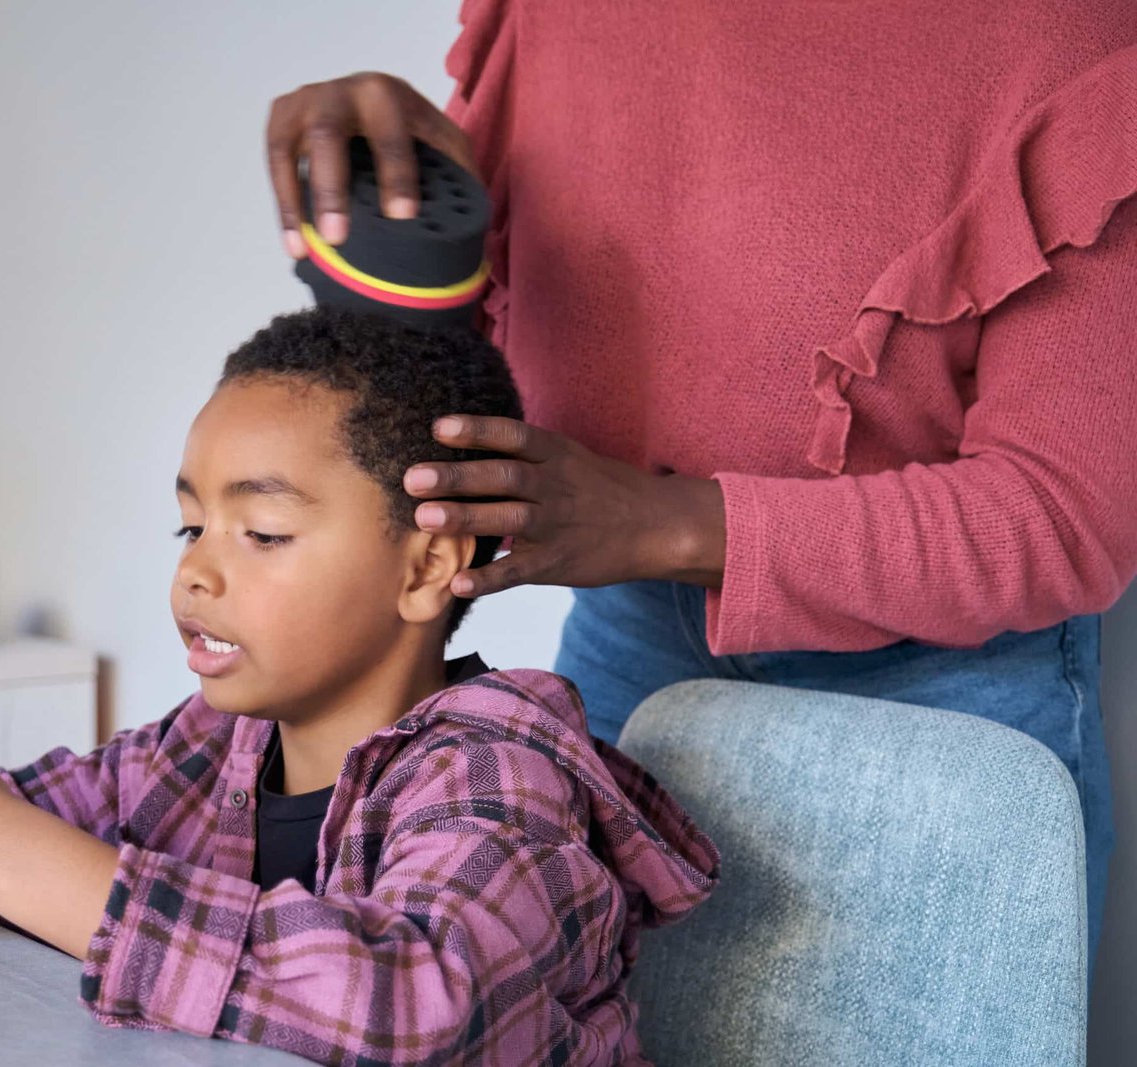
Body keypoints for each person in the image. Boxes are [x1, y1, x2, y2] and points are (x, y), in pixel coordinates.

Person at [264, 2, 1137, 964]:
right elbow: (487, 346)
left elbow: (1061, 516)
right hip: (631, 642)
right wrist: (394, 217)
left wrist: (665, 523)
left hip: (942, 692)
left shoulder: (1072, 34)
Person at [0, 307, 719, 1065]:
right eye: (191, 529)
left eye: (262, 534)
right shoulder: (206, 744)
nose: (195, 574)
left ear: (427, 566)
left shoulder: (499, 776)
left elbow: (415, 1010)